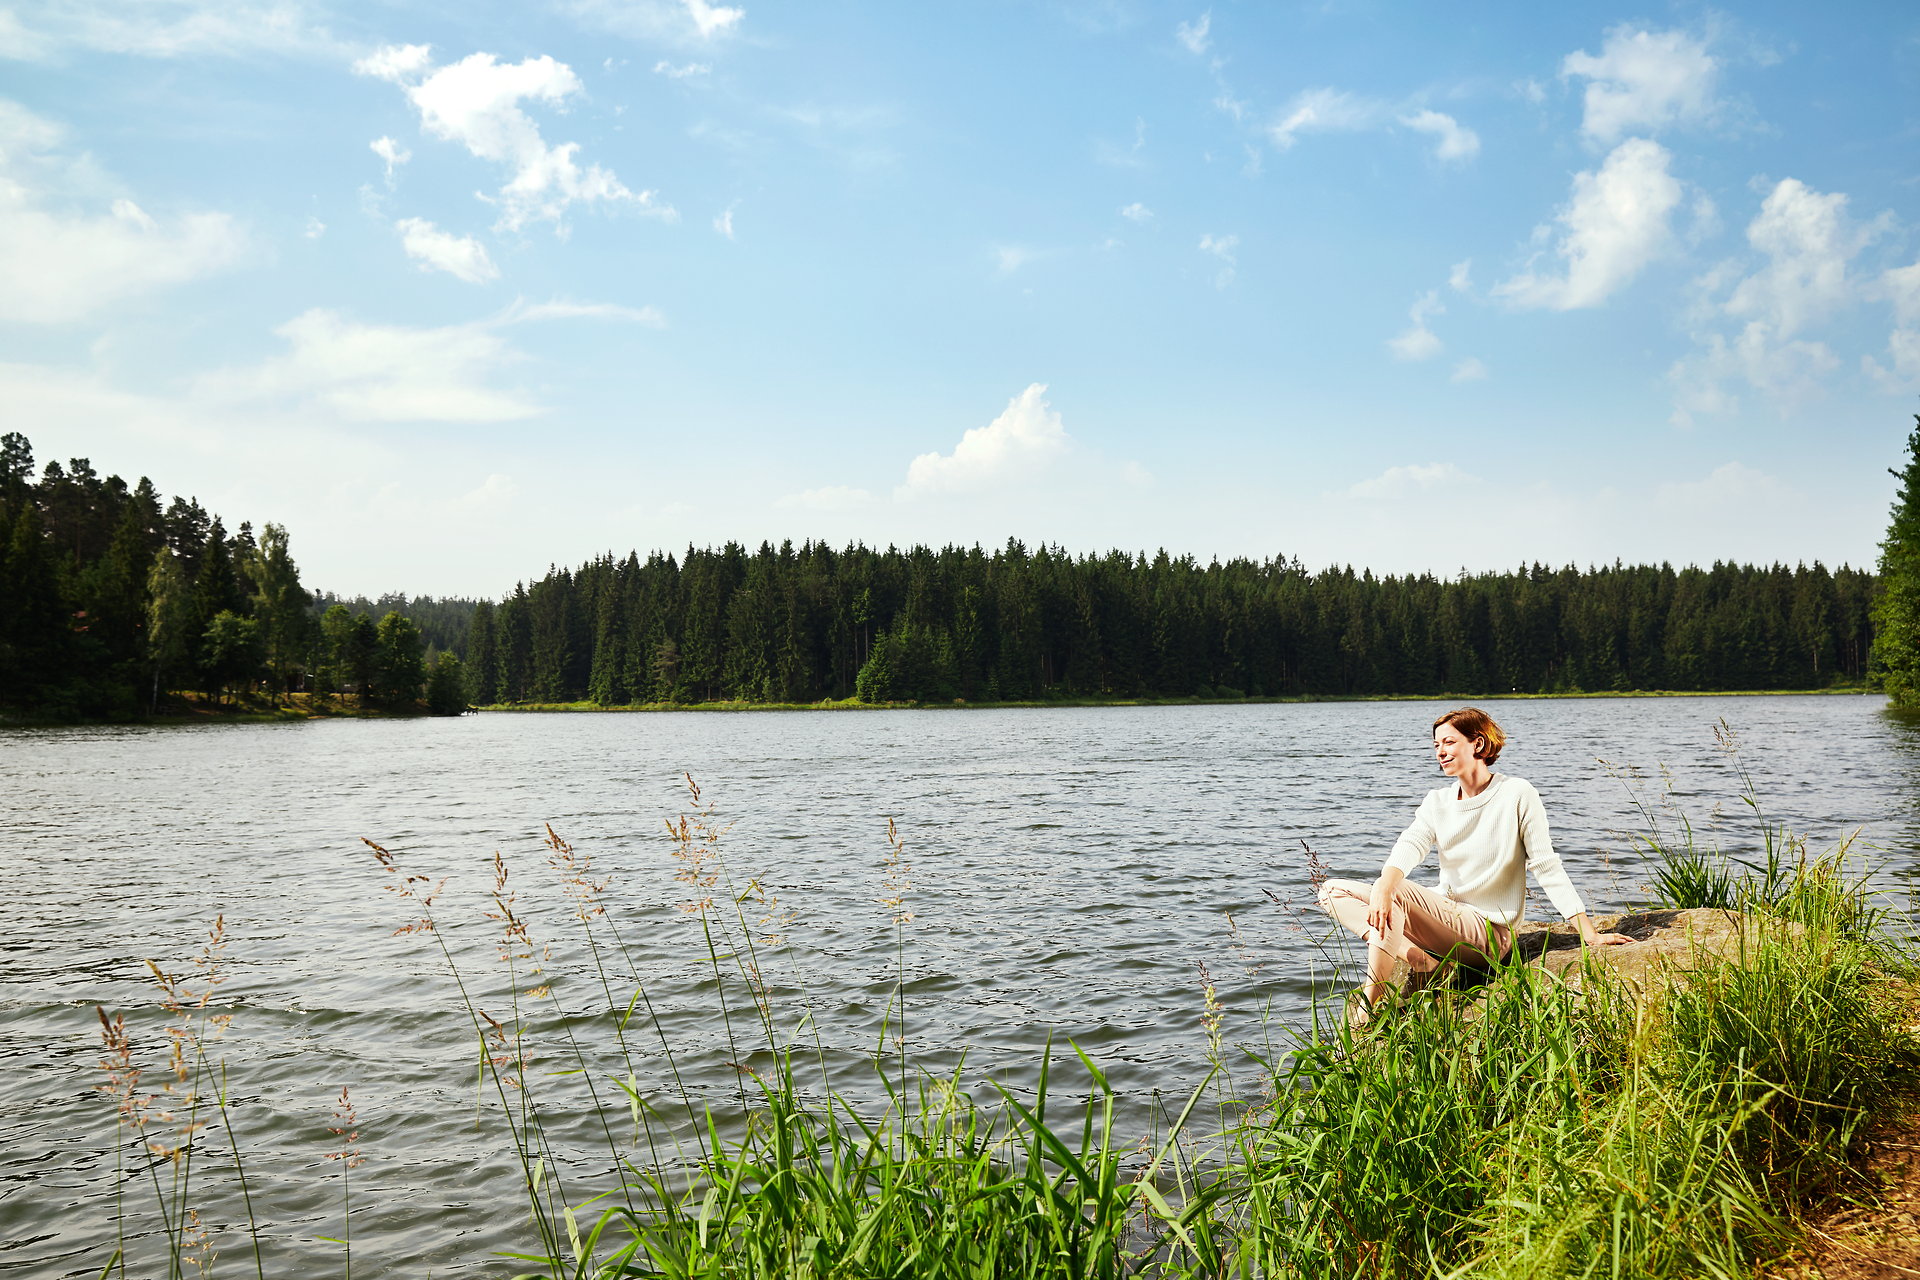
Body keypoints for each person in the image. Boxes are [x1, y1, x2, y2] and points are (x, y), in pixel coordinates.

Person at [1317, 706, 1631, 1024]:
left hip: (1489, 936)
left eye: (1449, 742)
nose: (1440, 751)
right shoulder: (1437, 801)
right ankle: (1423, 962)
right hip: (1445, 924)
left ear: (1477, 744)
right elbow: (1410, 844)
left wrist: (1589, 934)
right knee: (1331, 891)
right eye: (1436, 744)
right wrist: (1384, 884)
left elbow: (1546, 866)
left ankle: (1369, 1006)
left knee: (1395, 891)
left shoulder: (1517, 794)